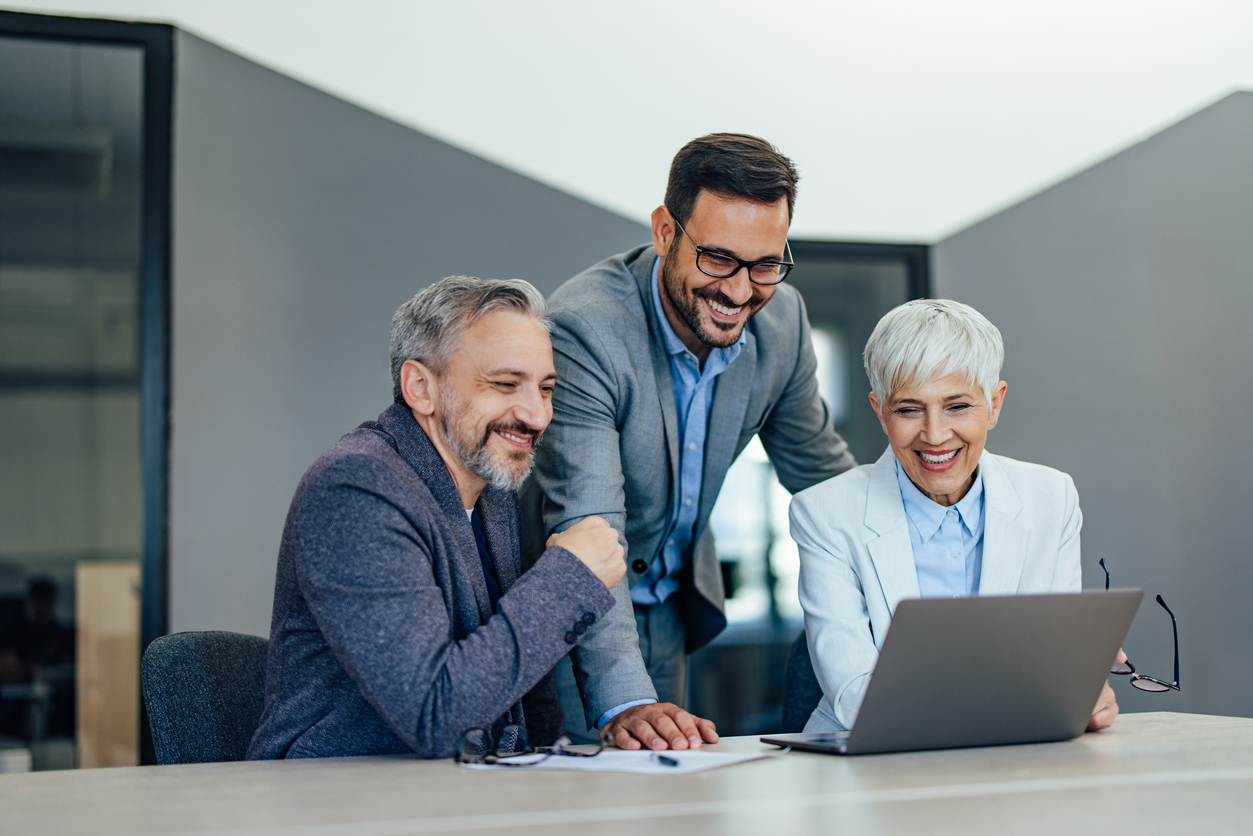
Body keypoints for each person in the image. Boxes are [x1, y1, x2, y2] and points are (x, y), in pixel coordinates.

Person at [521, 133, 857, 750]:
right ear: (664, 232)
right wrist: (627, 700)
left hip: (674, 607)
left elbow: (828, 481)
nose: (738, 291)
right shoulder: (585, 329)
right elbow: (590, 527)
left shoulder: (781, 321)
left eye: (764, 265)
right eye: (718, 259)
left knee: (667, 794)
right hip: (569, 619)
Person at [248, 276, 627, 760]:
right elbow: (436, 715)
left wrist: (554, 763)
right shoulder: (356, 490)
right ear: (421, 387)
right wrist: (570, 580)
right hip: (339, 806)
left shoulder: (490, 490)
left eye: (546, 389)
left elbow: (524, 697)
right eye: (506, 384)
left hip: (458, 796)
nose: (536, 415)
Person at [789, 298, 1121, 732]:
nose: (935, 434)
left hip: (1015, 756)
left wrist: (1081, 688)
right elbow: (858, 699)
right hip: (868, 764)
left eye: (958, 406)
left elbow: (1058, 666)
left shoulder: (1051, 498)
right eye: (909, 409)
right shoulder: (824, 514)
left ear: (995, 404)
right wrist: (1041, 692)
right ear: (879, 411)